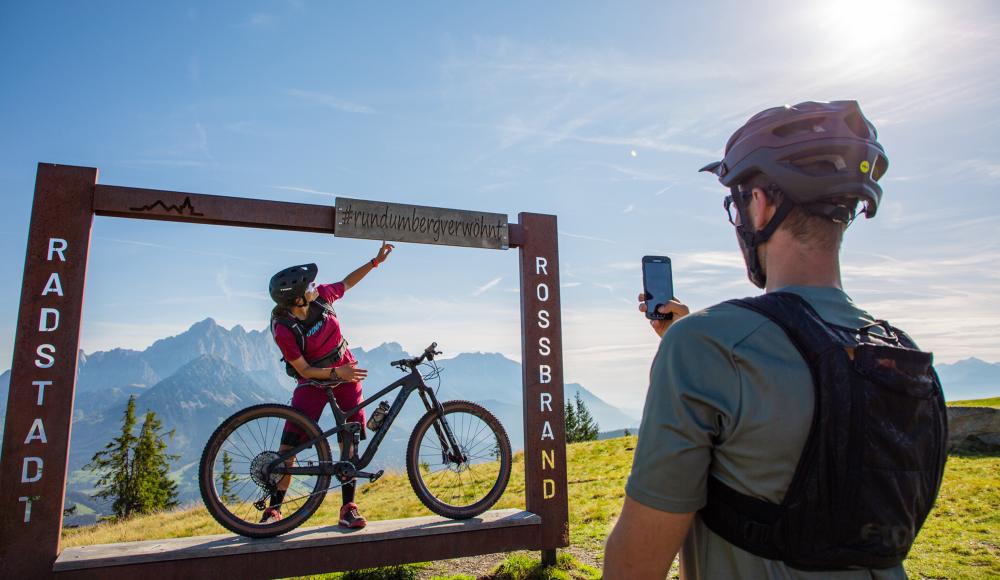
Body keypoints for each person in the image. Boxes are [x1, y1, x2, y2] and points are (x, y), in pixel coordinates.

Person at [603, 101, 945, 578]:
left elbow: (636, 564)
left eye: (736, 204)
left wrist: (686, 348)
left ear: (760, 204)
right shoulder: (899, 352)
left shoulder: (707, 346)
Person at [262, 241, 394, 529]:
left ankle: (348, 507)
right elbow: (304, 369)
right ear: (297, 299)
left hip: (345, 372)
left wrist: (375, 262)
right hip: (314, 380)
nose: (315, 285)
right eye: (309, 285)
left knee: (350, 441)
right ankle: (274, 509)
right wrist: (339, 374)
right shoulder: (284, 328)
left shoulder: (322, 297)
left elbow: (347, 282)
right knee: (290, 446)